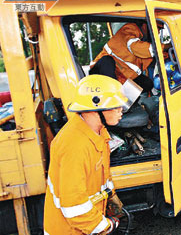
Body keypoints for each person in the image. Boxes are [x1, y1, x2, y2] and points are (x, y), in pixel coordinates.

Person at [43, 75, 128, 235]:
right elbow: (74, 205)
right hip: (69, 230)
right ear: (95, 109)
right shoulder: (74, 146)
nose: (121, 110)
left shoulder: (99, 132)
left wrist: (111, 197)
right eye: (115, 106)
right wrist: (105, 226)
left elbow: (102, 174)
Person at [90, 22, 156, 92]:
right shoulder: (130, 30)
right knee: (107, 61)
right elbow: (138, 48)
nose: (157, 32)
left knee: (147, 83)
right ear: (145, 25)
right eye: (157, 28)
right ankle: (113, 95)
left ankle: (128, 101)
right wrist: (164, 47)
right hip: (98, 74)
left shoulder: (142, 39)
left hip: (120, 75)